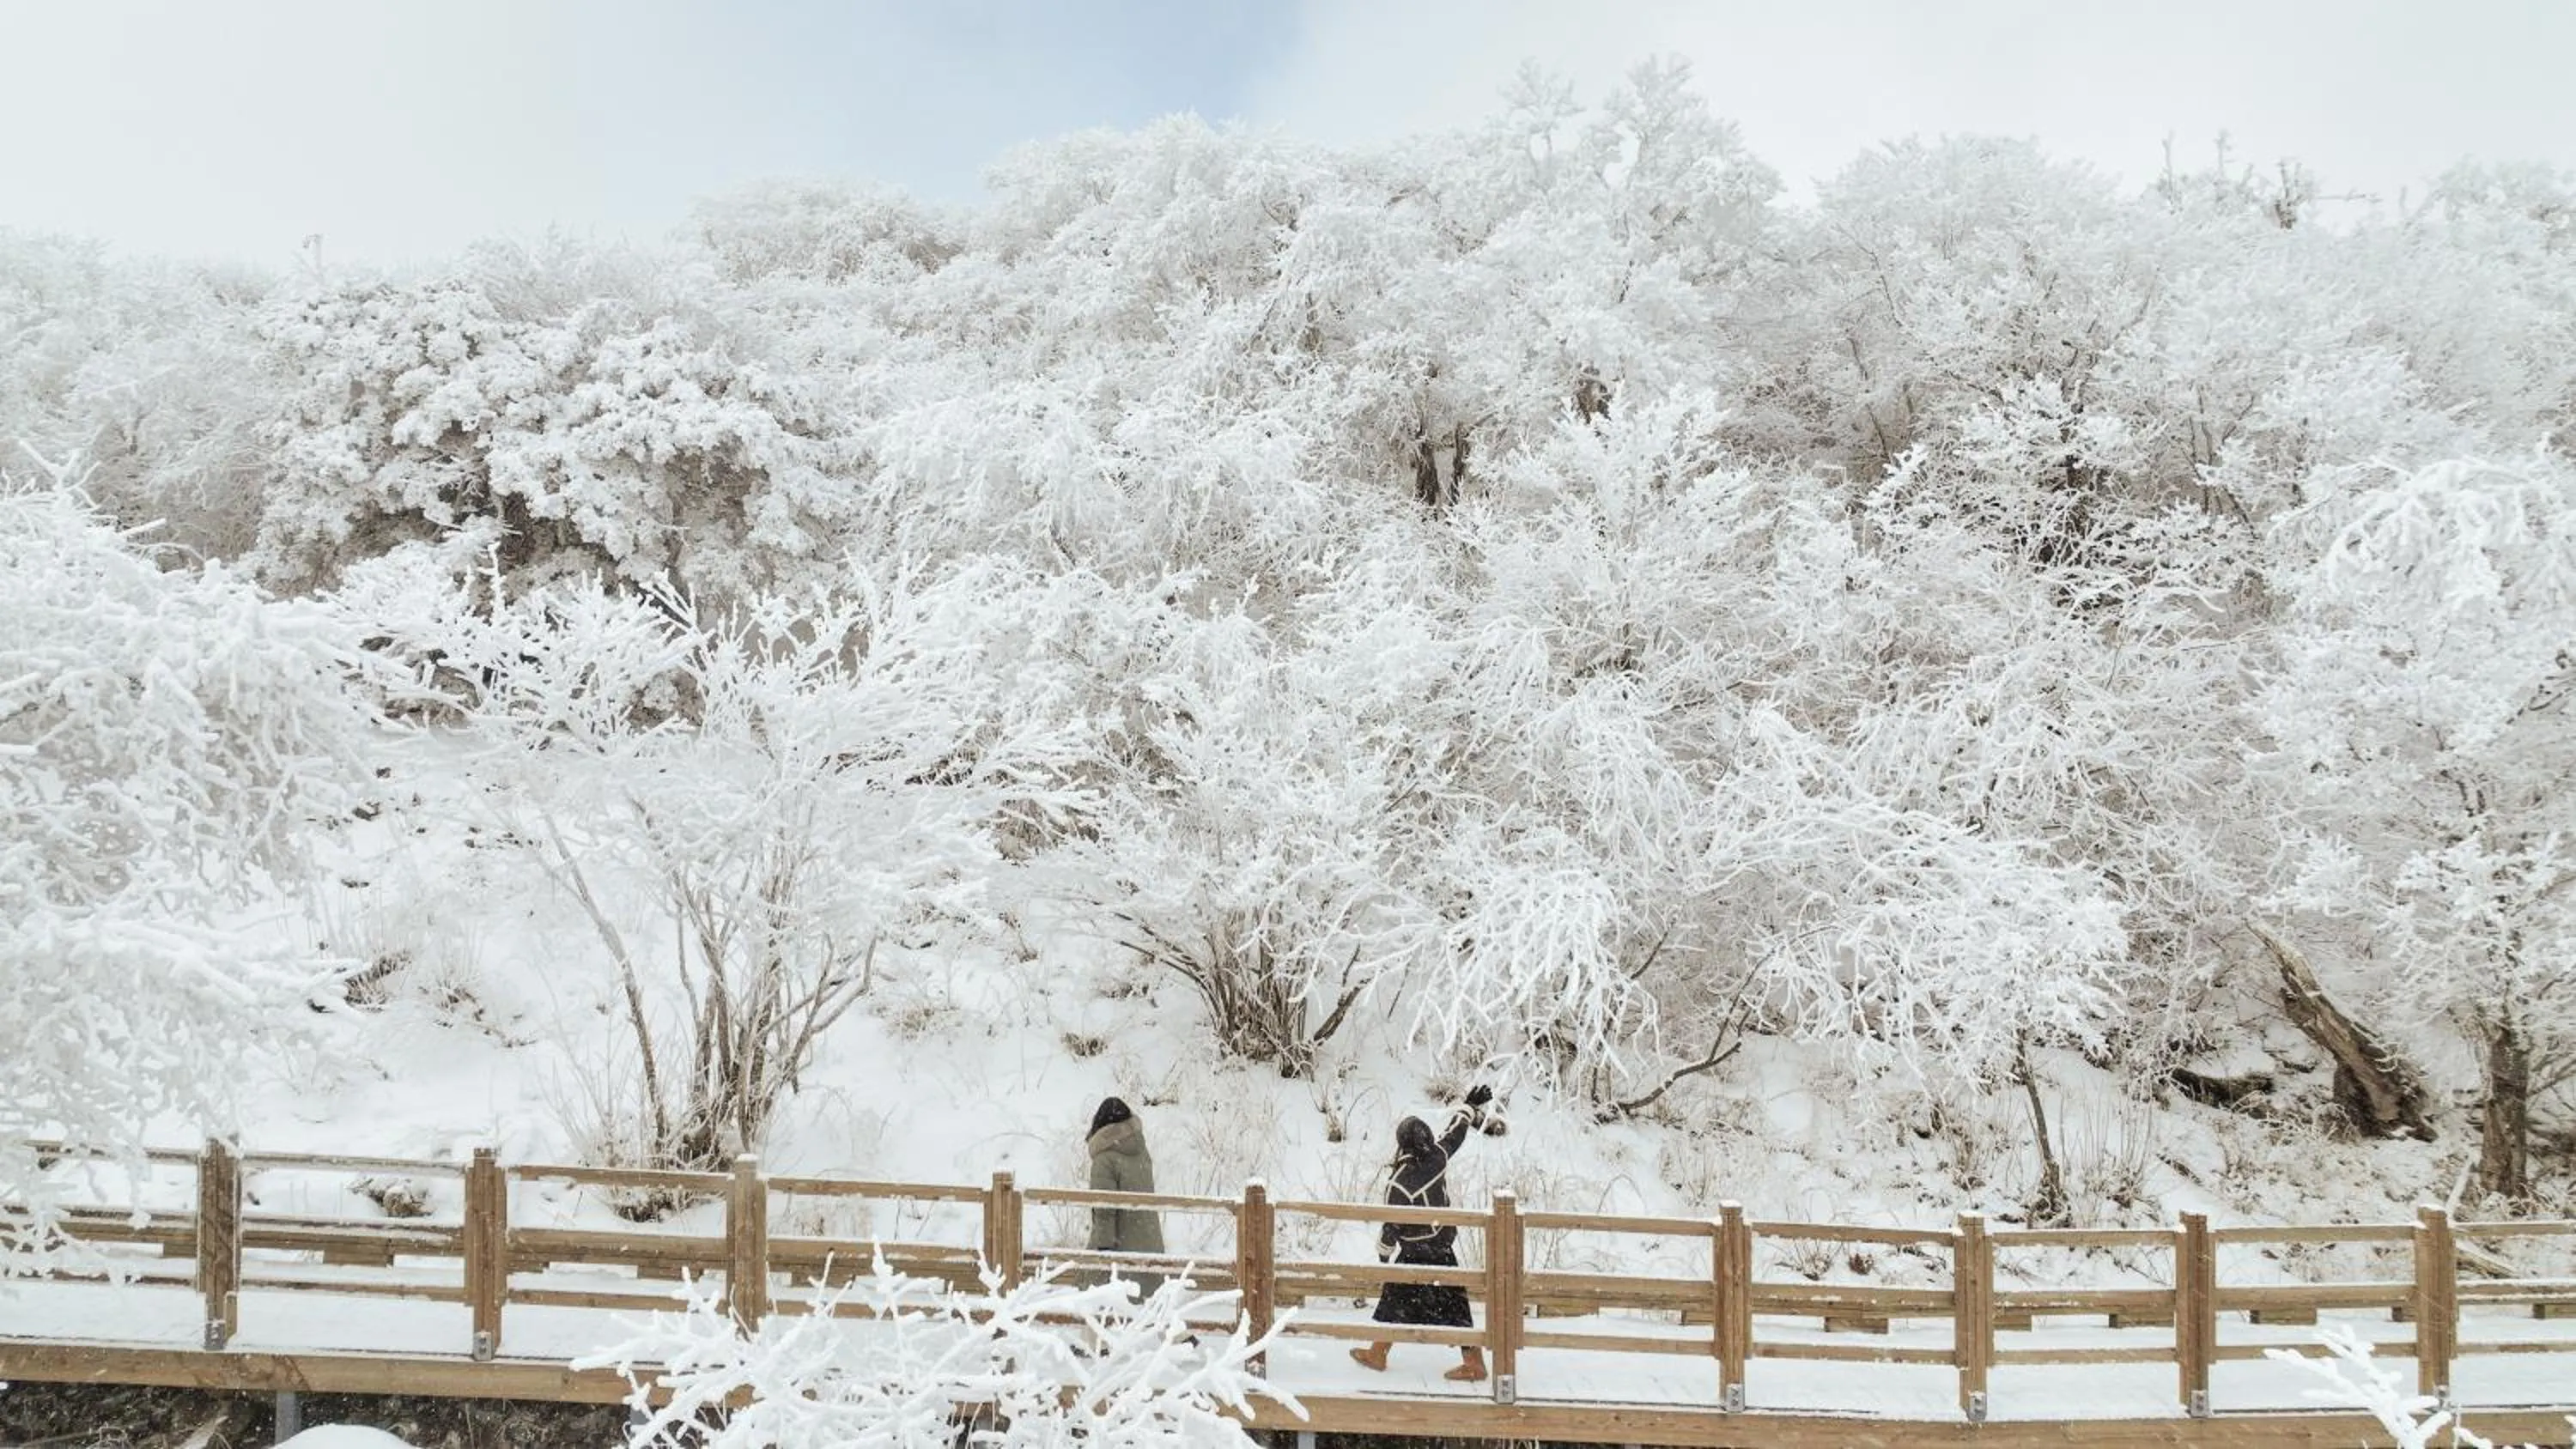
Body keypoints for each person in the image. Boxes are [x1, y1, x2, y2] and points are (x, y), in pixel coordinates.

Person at [1350, 1083, 1494, 1382]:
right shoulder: (1437, 1157)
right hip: (1441, 1246)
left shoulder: (1400, 1182)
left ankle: (1379, 1353)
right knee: (1454, 1304)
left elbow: (1392, 1223)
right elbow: (1456, 1132)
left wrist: (1384, 1252)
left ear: (1402, 1145)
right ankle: (1473, 1361)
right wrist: (1468, 1105)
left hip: (1416, 1251)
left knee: (1395, 1299)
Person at [1085, 1095, 1165, 1300]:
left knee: (1094, 1303)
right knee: (1148, 1314)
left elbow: (1104, 1210)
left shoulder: (1105, 1159)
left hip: (1122, 1246)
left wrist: (1102, 1253)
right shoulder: (1140, 1150)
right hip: (1150, 1243)